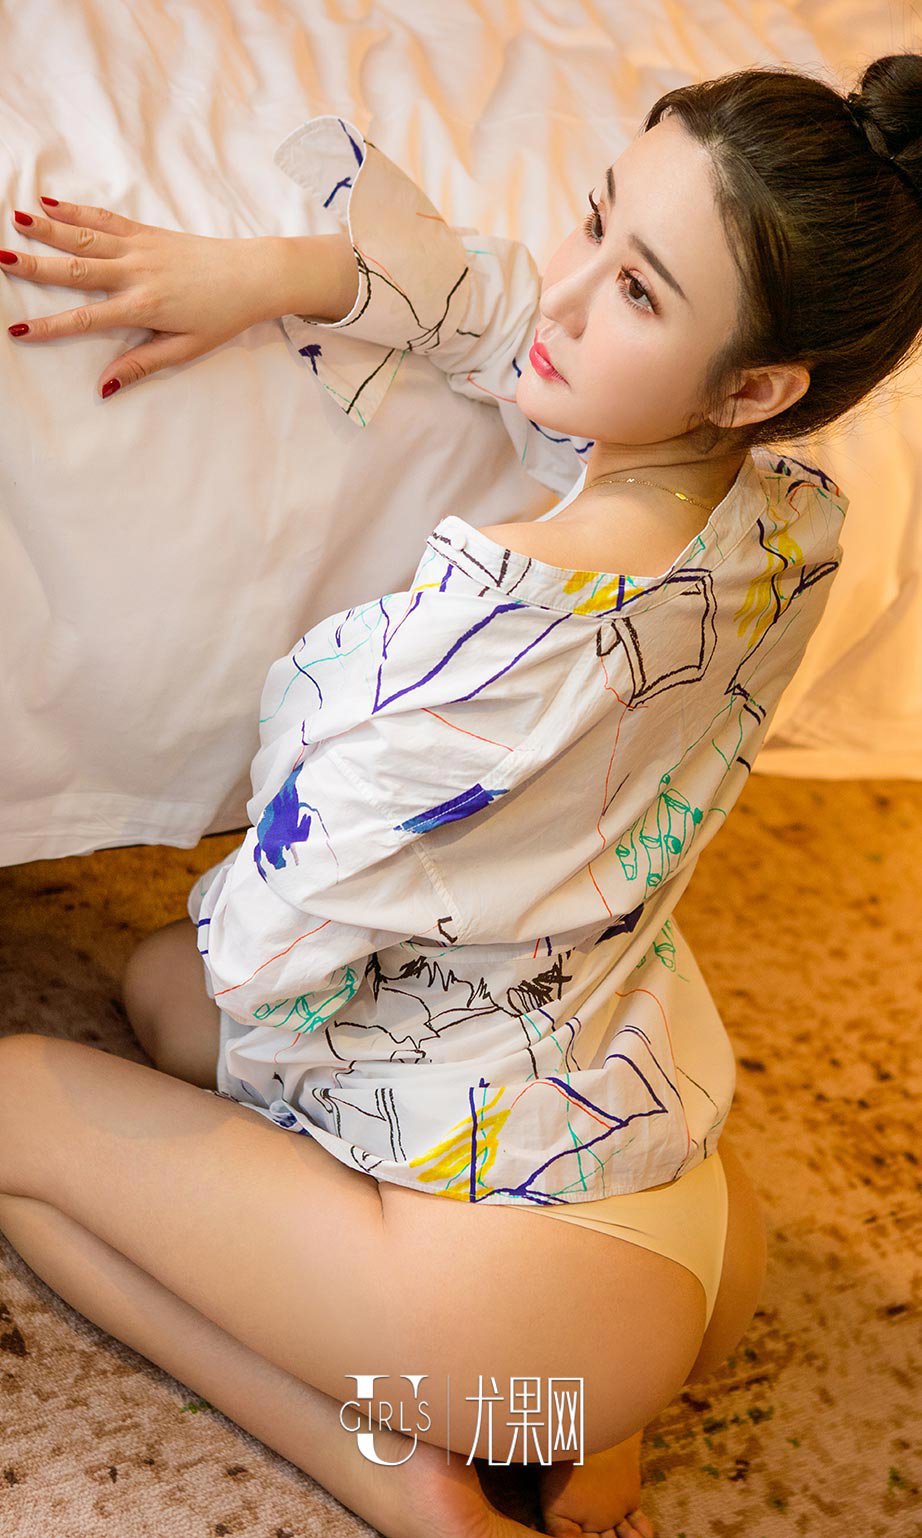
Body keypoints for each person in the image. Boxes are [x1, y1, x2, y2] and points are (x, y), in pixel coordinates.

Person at [2, 53, 921, 1538]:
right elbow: (513, 312)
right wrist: (278, 273)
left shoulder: (492, 632)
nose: (565, 294)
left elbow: (271, 946)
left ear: (754, 385)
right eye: (595, 220)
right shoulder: (789, 523)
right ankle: (578, 1425)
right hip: (684, 1242)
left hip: (516, 1328)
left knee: (22, 1115)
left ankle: (393, 1470)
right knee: (162, 992)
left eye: (637, 292)